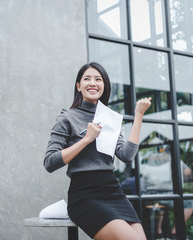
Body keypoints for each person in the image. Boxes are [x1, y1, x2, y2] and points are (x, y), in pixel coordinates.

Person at [43, 62, 151, 240]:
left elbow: (127, 155)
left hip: (113, 192)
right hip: (85, 195)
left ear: (104, 86)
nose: (92, 83)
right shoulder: (67, 118)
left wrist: (138, 116)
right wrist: (86, 139)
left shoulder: (110, 118)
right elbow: (49, 162)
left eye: (98, 79)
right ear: (78, 86)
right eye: (87, 79)